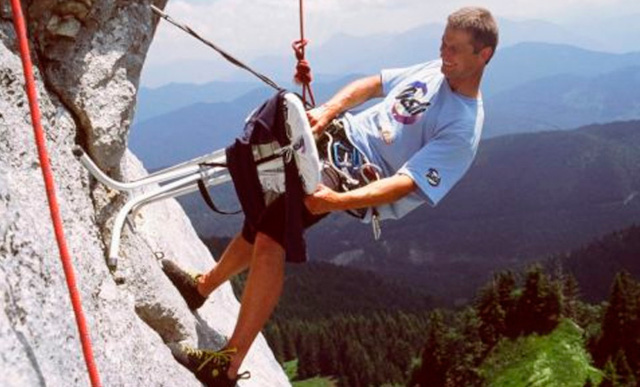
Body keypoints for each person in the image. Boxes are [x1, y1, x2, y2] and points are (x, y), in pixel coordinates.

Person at [163, 6, 499, 386]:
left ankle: (225, 365)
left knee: (273, 232)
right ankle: (203, 286)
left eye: (454, 48)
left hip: (354, 176)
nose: (444, 54)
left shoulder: (463, 128)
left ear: (482, 55)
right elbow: (373, 85)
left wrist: (335, 201)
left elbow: (407, 183)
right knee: (265, 201)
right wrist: (328, 109)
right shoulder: (436, 70)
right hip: (340, 136)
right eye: (443, 43)